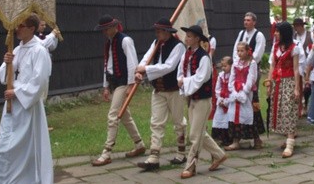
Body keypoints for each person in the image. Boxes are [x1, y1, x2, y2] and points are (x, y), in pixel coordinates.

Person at [0, 13, 53, 184]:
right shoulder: (17, 49)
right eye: (17, 26)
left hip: (27, 106)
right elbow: (4, 78)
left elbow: (40, 81)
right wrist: (7, 62)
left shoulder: (39, 51)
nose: (17, 29)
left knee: (24, 146)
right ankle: (4, 178)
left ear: (32, 29)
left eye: (21, 26)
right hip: (12, 105)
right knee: (5, 144)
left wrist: (17, 92)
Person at [92, 15, 145, 167]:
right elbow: (106, 65)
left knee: (113, 115)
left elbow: (132, 63)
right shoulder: (108, 43)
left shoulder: (125, 40)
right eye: (103, 29)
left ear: (115, 27)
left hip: (123, 82)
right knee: (125, 116)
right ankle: (139, 144)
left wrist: (130, 85)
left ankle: (107, 152)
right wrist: (106, 86)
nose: (105, 32)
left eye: (107, 29)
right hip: (115, 83)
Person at [135, 18, 187, 171]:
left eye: (159, 31)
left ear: (166, 31)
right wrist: (140, 70)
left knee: (178, 122)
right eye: (156, 31)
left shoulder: (178, 46)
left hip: (174, 91)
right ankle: (154, 156)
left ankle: (181, 152)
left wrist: (146, 70)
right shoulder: (156, 43)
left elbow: (168, 67)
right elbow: (147, 57)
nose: (156, 33)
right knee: (156, 122)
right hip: (158, 90)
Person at [177, 25, 227, 179]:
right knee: (199, 133)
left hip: (203, 100)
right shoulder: (186, 55)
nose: (187, 39)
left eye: (190, 36)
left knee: (194, 135)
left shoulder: (204, 57)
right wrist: (182, 81)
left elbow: (201, 78)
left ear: (198, 39)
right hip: (191, 98)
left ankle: (191, 166)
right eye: (187, 36)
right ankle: (219, 154)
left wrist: (184, 82)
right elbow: (181, 71)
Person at [265, 21, 301, 158]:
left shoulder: (294, 48)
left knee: (289, 109)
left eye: (278, 31)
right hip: (277, 82)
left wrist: (297, 88)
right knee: (280, 110)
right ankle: (288, 138)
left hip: (289, 81)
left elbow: (296, 69)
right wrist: (269, 83)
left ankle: (290, 143)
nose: (275, 34)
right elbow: (272, 66)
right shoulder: (275, 47)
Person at [233, 12, 265, 146]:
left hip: (251, 70)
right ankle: (237, 137)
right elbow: (235, 50)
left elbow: (258, 53)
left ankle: (256, 137)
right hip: (239, 71)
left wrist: (247, 62)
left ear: (254, 22)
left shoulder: (259, 35)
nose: (245, 22)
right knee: (237, 104)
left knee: (252, 101)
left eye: (248, 20)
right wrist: (237, 63)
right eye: (244, 20)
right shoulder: (241, 34)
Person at [225, 42, 259, 150]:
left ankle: (257, 139)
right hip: (236, 92)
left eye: (242, 51)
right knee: (235, 115)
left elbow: (252, 78)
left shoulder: (252, 63)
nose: (239, 53)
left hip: (247, 93)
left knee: (251, 115)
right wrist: (233, 89)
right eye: (238, 51)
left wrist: (244, 90)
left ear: (247, 51)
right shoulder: (236, 63)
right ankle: (236, 141)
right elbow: (232, 77)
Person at [211, 56, 232, 147]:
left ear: (231, 65)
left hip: (230, 101)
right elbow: (217, 88)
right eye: (222, 66)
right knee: (219, 118)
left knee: (228, 119)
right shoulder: (221, 76)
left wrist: (227, 101)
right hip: (221, 100)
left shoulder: (233, 76)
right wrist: (219, 98)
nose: (223, 68)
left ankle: (228, 139)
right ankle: (220, 137)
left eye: (225, 66)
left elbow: (233, 89)